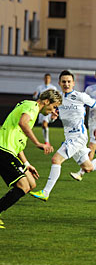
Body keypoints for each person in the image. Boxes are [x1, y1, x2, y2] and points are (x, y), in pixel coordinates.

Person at [30, 70, 96, 202]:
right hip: (69, 137)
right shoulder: (59, 100)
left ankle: (45, 192)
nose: (66, 84)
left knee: (56, 160)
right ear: (59, 83)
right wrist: (53, 117)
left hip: (78, 136)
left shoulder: (80, 96)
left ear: (73, 83)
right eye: (63, 82)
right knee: (88, 167)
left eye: (69, 81)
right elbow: (52, 117)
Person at [0, 89, 62, 228]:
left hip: (10, 151)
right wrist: (38, 143)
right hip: (3, 150)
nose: (53, 110)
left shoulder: (30, 108)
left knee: (31, 184)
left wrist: (26, 163)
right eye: (53, 107)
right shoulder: (32, 107)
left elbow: (18, 142)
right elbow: (23, 123)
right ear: (46, 101)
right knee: (23, 186)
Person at [33, 73, 58, 145]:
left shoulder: (53, 88)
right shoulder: (39, 88)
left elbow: (56, 99)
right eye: (46, 78)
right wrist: (34, 95)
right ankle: (46, 141)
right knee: (43, 125)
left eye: (48, 78)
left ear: (50, 79)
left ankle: (47, 142)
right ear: (44, 79)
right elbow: (35, 98)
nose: (47, 80)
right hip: (41, 109)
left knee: (44, 124)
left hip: (49, 108)